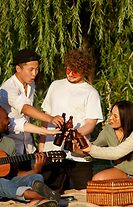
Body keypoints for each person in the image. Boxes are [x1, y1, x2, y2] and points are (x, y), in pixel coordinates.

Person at [39, 49, 103, 191]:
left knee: (85, 191)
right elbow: (46, 117)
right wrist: (42, 146)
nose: (69, 74)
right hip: (52, 149)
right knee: (49, 191)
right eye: (68, 69)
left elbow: (91, 123)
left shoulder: (91, 92)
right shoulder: (55, 85)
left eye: (75, 72)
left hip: (77, 153)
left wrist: (75, 134)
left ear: (84, 71)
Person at [0, 49, 64, 159]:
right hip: (11, 145)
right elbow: (25, 109)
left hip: (27, 146)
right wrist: (50, 119)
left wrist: (33, 142)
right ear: (18, 68)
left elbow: (27, 116)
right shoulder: (8, 88)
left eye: (37, 69)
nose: (34, 73)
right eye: (31, 69)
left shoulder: (30, 84)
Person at [73, 101, 133, 180]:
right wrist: (74, 149)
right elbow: (93, 149)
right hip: (122, 171)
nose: (110, 118)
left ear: (125, 117)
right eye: (111, 114)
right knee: (97, 179)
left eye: (115, 116)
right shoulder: (108, 131)